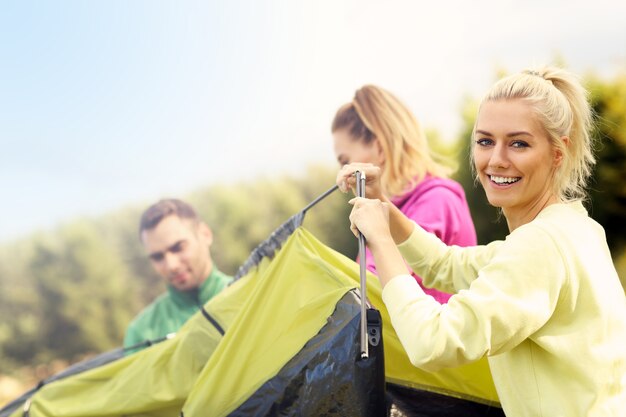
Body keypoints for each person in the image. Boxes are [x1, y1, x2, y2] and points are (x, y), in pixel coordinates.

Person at [338, 67, 626, 416]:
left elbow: (432, 343)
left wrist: (380, 240)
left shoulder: (539, 246)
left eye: (518, 143)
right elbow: (443, 264)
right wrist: (385, 208)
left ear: (557, 153)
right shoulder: (574, 229)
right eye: (485, 141)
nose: (496, 159)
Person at [332, 84, 477, 304]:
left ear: (380, 148)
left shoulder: (437, 201)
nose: (341, 171)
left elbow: (374, 284)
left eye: (345, 160)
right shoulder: (393, 209)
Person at [123, 198, 233, 349]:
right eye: (157, 257)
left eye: (178, 248)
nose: (171, 266)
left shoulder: (250, 298)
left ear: (205, 234)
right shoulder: (141, 333)